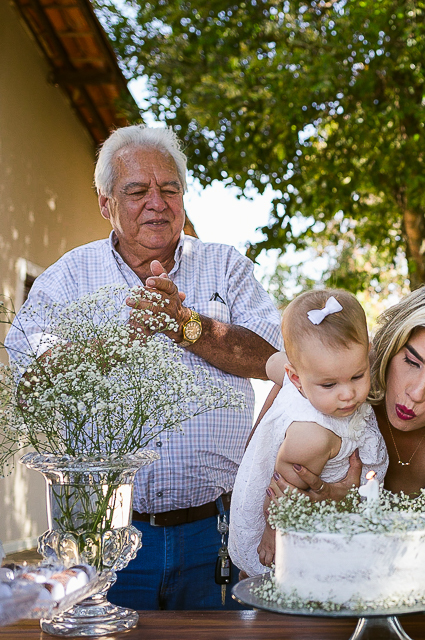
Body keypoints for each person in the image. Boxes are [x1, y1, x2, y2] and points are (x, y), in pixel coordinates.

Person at [3, 125, 282, 609]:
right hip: (103, 535)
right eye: (137, 191)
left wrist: (184, 324)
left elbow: (274, 358)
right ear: (105, 203)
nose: (157, 203)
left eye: (170, 189)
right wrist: (120, 341)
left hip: (215, 531)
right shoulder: (67, 277)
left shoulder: (226, 266)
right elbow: (32, 374)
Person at [262, 277, 425, 501]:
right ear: (391, 345)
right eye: (412, 362)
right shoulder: (326, 381)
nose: (416, 393)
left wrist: (348, 506)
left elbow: (421, 542)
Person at [229, 289, 387, 576]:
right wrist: (274, 531)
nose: (348, 394)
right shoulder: (313, 436)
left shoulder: (310, 373)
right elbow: (283, 490)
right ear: (296, 378)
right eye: (329, 385)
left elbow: (274, 362)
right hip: (295, 527)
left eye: (357, 376)